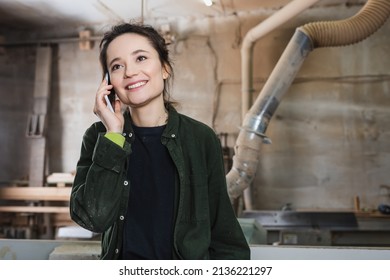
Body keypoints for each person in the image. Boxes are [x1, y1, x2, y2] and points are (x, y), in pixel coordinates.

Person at [70, 22, 250, 260]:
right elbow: (92, 217)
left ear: (165, 68)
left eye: (141, 58)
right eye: (117, 66)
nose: (130, 72)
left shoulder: (200, 138)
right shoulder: (99, 137)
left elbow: (223, 230)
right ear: (108, 82)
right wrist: (113, 135)